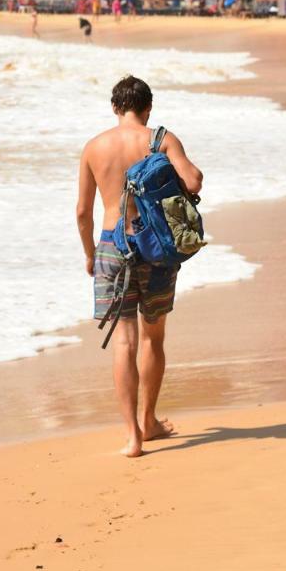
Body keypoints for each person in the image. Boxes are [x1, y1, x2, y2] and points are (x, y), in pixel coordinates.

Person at [76, 76, 204, 458]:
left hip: (112, 245)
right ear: (148, 107)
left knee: (124, 341)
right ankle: (150, 421)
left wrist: (89, 254)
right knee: (153, 337)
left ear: (116, 108)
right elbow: (194, 181)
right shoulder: (159, 139)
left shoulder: (94, 147)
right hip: (154, 247)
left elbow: (83, 212)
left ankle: (132, 436)